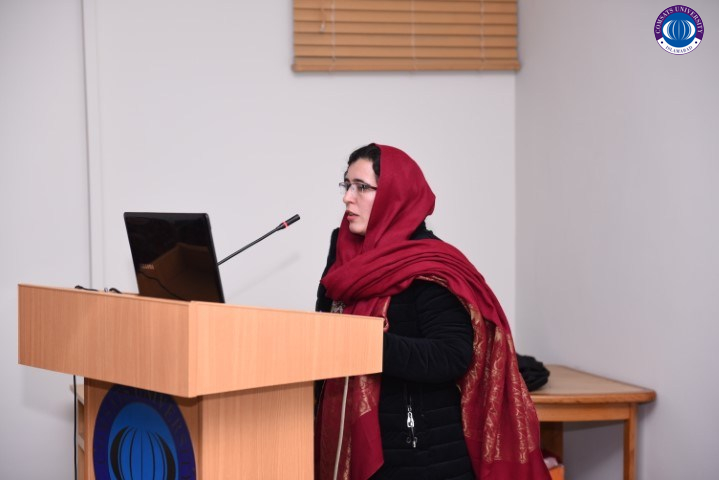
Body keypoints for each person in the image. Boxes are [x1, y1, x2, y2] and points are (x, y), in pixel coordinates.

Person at [315, 144, 550, 480]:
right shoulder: (343, 256)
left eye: (361, 187)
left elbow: (452, 355)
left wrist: (366, 344)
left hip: (423, 457)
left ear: (395, 195)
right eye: (347, 185)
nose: (347, 198)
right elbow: (326, 333)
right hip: (352, 444)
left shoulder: (428, 263)